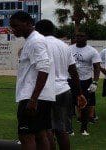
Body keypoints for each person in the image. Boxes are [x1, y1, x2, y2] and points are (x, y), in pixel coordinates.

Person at [35, 19, 87, 150]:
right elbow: (73, 71)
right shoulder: (64, 46)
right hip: (64, 90)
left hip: (46, 91)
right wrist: (80, 93)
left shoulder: (38, 44)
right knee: (61, 128)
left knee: (46, 129)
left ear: (38, 30)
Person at [10, 11, 54, 150]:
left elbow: (44, 68)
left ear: (28, 23)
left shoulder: (36, 41)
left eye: (16, 26)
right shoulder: (32, 40)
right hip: (40, 96)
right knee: (40, 134)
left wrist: (33, 99)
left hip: (33, 96)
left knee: (26, 136)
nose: (13, 29)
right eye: (12, 26)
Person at [67, 32, 101, 135]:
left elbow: (97, 67)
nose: (79, 38)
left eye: (82, 36)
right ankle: (69, 129)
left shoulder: (92, 51)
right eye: (77, 36)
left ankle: (84, 128)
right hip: (70, 80)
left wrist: (95, 82)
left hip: (85, 81)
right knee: (69, 105)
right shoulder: (69, 49)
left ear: (86, 37)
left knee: (84, 104)